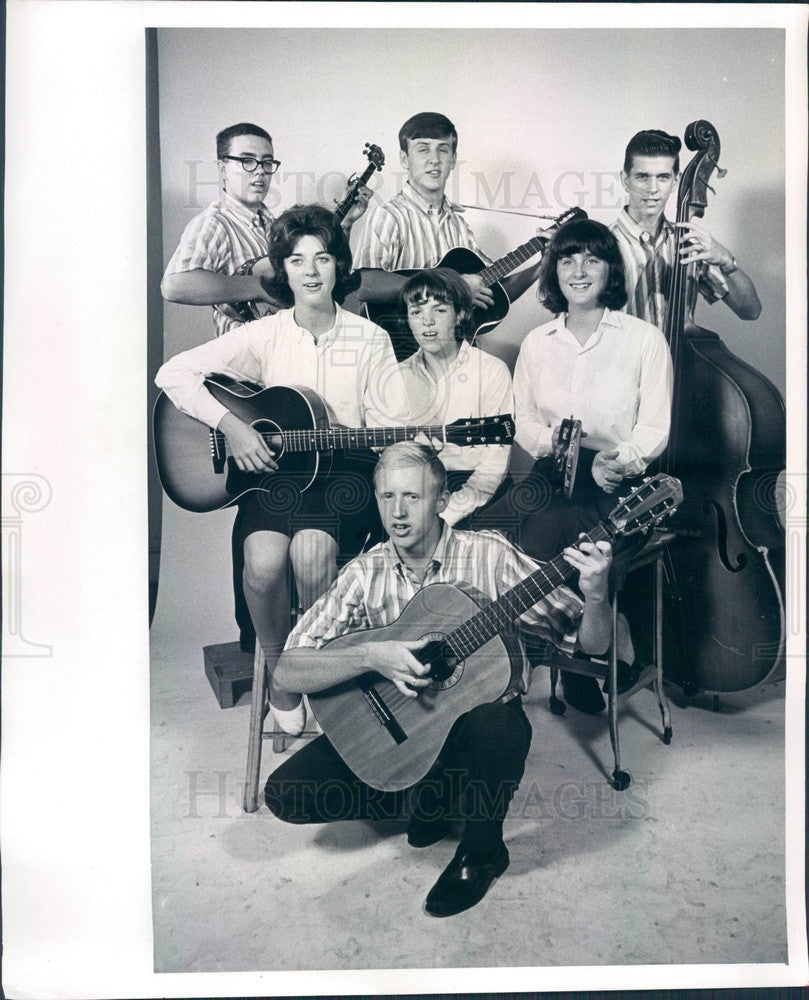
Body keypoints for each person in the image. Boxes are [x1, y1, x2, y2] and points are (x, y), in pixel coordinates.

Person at [265, 442, 614, 917]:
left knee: (503, 725)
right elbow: (287, 667)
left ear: (442, 500)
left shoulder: (489, 556)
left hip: (470, 735)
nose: (398, 512)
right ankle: (428, 796)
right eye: (387, 497)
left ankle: (481, 850)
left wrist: (595, 597)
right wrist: (373, 656)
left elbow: (590, 645)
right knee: (288, 794)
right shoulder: (364, 572)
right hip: (401, 733)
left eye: (413, 497)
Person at [155, 204, 408, 733]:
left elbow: (393, 427)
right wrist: (233, 427)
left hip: (343, 476)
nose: (311, 271)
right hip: (274, 475)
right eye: (297, 260)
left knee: (312, 553)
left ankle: (319, 671)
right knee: (264, 565)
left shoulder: (371, 339)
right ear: (283, 270)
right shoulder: (265, 334)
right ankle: (281, 673)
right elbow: (172, 374)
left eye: (322, 258)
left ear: (340, 265)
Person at [161, 123, 372, 652]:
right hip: (242, 384)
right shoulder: (216, 222)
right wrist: (259, 283)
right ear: (222, 167)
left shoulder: (267, 223)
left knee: (288, 520)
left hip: (287, 390)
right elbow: (176, 283)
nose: (259, 172)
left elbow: (308, 266)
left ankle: (303, 647)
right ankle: (257, 639)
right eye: (246, 161)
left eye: (267, 163)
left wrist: (343, 221)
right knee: (258, 524)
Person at [473, 217, 673, 715]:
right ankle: (566, 650)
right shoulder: (539, 343)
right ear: (553, 270)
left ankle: (578, 653)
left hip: (616, 480)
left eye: (592, 259)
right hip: (550, 473)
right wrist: (559, 449)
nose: (579, 271)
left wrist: (617, 459)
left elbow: (653, 429)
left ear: (611, 271)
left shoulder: (643, 339)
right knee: (480, 542)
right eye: (567, 259)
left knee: (553, 543)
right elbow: (522, 420)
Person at [352, 112, 542, 341]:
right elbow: (365, 285)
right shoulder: (388, 216)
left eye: (442, 149)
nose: (434, 159)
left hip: (453, 358)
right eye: (423, 149)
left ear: (453, 159)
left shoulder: (459, 227)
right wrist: (453, 287)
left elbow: (493, 290)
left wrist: (542, 265)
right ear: (404, 159)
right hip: (401, 352)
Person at [612, 128, 761, 330]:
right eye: (642, 177)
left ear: (675, 180)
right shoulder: (599, 244)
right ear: (625, 179)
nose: (653, 188)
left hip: (680, 362)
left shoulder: (688, 244)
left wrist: (727, 262)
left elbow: (750, 311)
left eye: (663, 177)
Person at [398, 268, 513, 526]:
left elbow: (493, 465)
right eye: (416, 312)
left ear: (460, 314)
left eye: (439, 310)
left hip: (480, 494)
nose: (427, 322)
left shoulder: (492, 371)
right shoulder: (397, 376)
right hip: (416, 491)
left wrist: (446, 516)